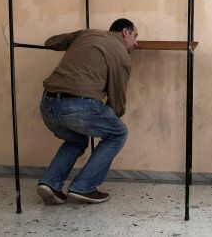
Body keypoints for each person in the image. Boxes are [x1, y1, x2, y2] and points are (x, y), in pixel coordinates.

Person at [36, 18, 138, 205]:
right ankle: (83, 187)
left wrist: (77, 39)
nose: (136, 43)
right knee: (118, 133)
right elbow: (117, 99)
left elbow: (52, 42)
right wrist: (112, 116)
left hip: (47, 105)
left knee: (77, 138)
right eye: (135, 36)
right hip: (78, 106)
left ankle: (50, 184)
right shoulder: (121, 54)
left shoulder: (87, 33)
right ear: (125, 32)